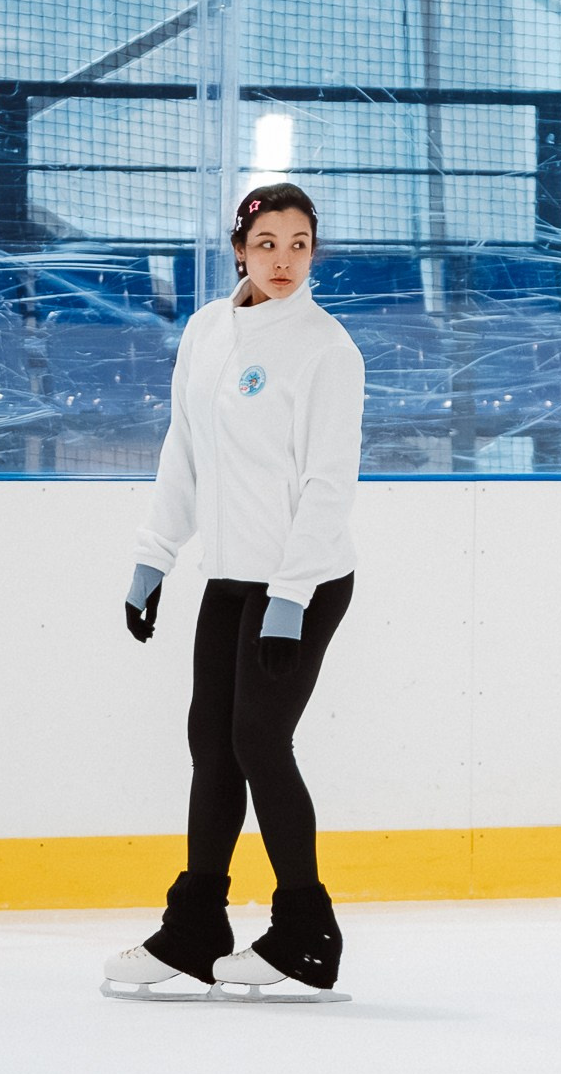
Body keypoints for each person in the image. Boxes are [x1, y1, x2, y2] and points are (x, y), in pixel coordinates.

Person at [102, 182, 366, 1003]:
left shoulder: (328, 350)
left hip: (305, 579)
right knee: (210, 747)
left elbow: (328, 486)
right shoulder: (208, 330)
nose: (284, 260)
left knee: (259, 741)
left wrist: (288, 596)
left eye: (299, 243)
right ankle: (196, 929)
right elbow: (185, 450)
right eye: (268, 243)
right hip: (229, 576)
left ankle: (306, 934)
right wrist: (154, 557)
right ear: (240, 247)